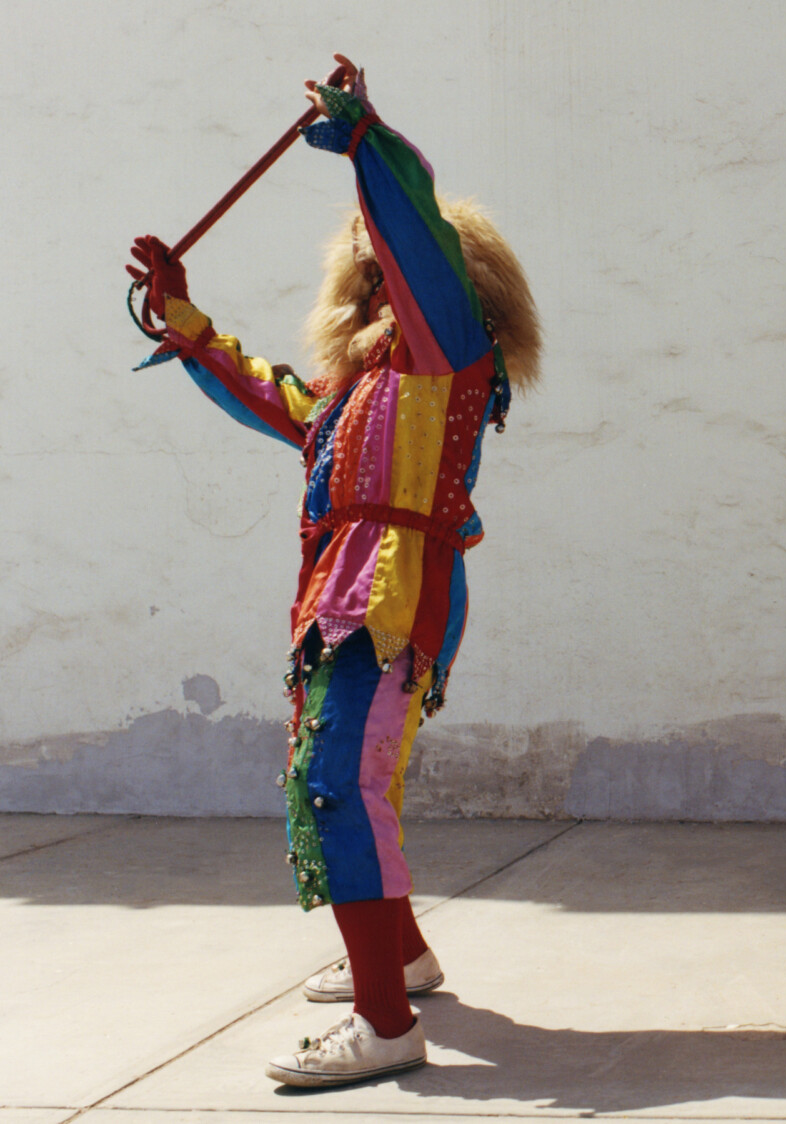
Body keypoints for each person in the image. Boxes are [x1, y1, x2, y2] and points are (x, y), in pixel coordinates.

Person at [126, 55, 539, 1088]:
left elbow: (421, 244)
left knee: (339, 787)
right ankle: (404, 958)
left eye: (380, 252)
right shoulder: (356, 388)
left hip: (391, 592)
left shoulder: (448, 347)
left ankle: (386, 1020)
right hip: (340, 599)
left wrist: (368, 144)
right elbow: (266, 391)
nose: (372, 261)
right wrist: (184, 317)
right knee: (358, 781)